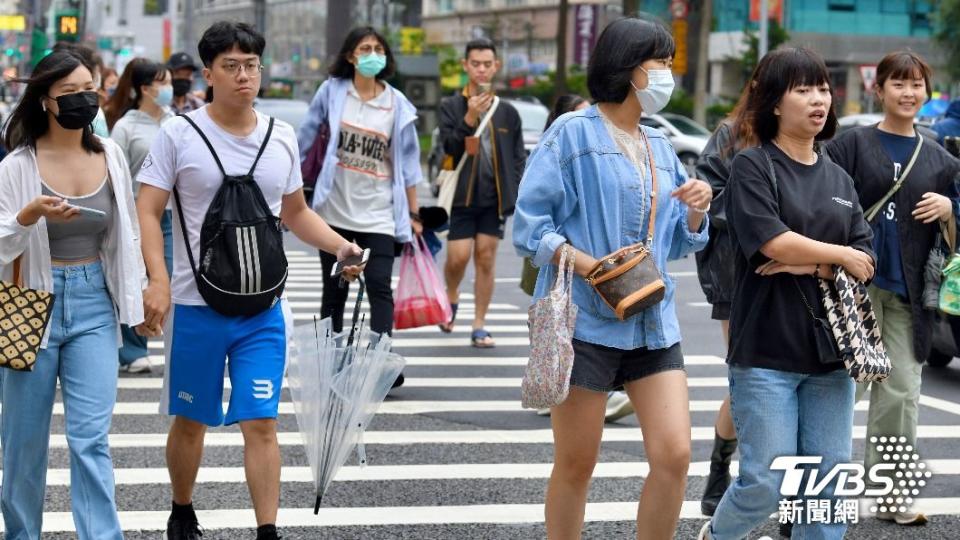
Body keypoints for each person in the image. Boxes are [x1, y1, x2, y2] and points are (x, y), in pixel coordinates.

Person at [136, 22, 366, 540]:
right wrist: (157, 280)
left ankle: (267, 530)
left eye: (252, 65)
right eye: (232, 66)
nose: (244, 76)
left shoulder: (280, 136)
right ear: (209, 73)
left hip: (263, 307)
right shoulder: (179, 133)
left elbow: (297, 213)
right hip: (196, 305)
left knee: (261, 421)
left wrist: (341, 247)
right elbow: (147, 210)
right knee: (191, 421)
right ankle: (182, 509)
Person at [513, 18, 711, 539]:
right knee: (578, 464)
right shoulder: (572, 133)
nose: (669, 73)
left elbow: (678, 244)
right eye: (661, 63)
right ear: (629, 67)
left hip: (652, 322)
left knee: (675, 455)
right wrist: (589, 266)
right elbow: (531, 227)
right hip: (586, 323)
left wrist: (695, 210)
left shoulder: (660, 146)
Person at [698, 47, 877, 540]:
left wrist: (820, 259)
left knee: (825, 487)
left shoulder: (839, 176)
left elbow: (864, 257)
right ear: (775, 102)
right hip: (766, 355)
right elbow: (770, 241)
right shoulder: (753, 167)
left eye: (822, 88)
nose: (818, 99)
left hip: (832, 357)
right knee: (767, 482)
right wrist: (835, 256)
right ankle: (717, 535)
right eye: (803, 89)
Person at [0, 49, 146, 540]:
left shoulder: (111, 156)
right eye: (70, 93)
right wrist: (28, 217)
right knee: (22, 443)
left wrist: (139, 300)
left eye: (90, 89)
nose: (85, 99)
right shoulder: (18, 166)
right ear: (45, 100)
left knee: (91, 440)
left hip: (93, 304)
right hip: (30, 303)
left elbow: (124, 238)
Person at [824, 51, 960, 527]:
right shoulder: (849, 146)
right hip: (851, 291)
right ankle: (822, 494)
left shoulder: (942, 161)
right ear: (877, 89)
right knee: (841, 391)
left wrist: (950, 208)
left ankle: (892, 496)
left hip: (906, 294)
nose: (908, 92)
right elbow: (820, 199)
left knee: (902, 392)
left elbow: (955, 227)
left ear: (926, 91)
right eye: (898, 83)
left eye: (916, 84)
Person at [296, 26, 422, 390]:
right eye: (364, 48)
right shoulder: (332, 92)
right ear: (350, 55)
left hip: (379, 211)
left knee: (380, 284)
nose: (372, 54)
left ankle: (382, 361)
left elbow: (409, 163)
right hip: (333, 212)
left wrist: (413, 214)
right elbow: (305, 139)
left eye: (378, 49)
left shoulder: (397, 103)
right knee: (335, 287)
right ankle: (330, 361)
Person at [693, 82, 758, 517]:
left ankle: (787, 490)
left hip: (799, 279)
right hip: (739, 278)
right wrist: (760, 215)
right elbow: (707, 195)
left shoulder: (815, 139)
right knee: (748, 379)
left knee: (791, 385)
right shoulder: (730, 134)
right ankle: (721, 468)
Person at [439, 38, 526, 347]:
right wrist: (469, 119)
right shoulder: (450, 106)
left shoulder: (508, 112)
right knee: (458, 259)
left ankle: (479, 323)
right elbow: (448, 148)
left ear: (496, 67)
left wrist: (514, 193)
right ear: (465, 66)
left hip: (495, 200)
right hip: (461, 198)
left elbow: (518, 157)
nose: (481, 69)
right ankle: (451, 293)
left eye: (487, 64)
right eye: (475, 63)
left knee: (486, 259)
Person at [107, 58, 176, 373]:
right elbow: (115, 174)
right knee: (136, 281)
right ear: (144, 89)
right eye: (163, 83)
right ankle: (133, 350)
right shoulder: (126, 126)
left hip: (170, 215)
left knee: (167, 278)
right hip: (134, 215)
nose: (169, 89)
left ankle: (155, 337)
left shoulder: (175, 122)